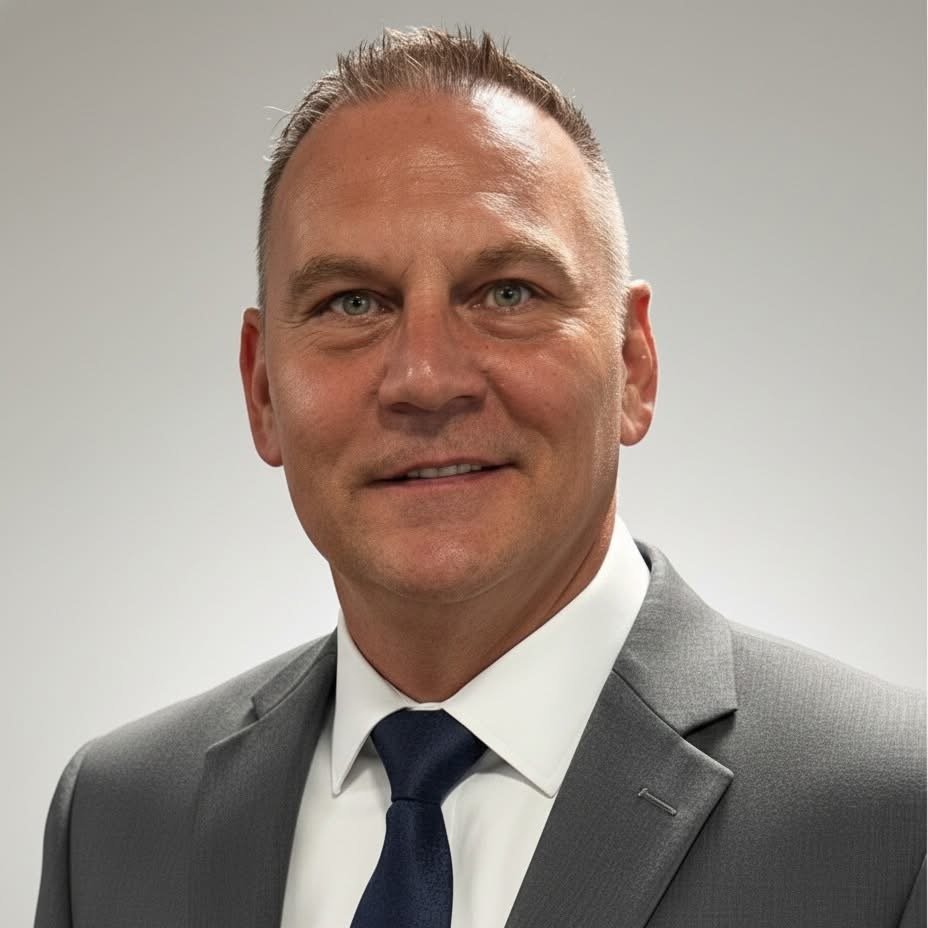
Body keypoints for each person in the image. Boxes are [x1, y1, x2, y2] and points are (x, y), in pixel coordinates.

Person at [34, 26, 924, 928]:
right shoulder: (113, 823)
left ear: (634, 362)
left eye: (507, 293)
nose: (426, 379)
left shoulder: (894, 816)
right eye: (353, 303)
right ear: (263, 389)